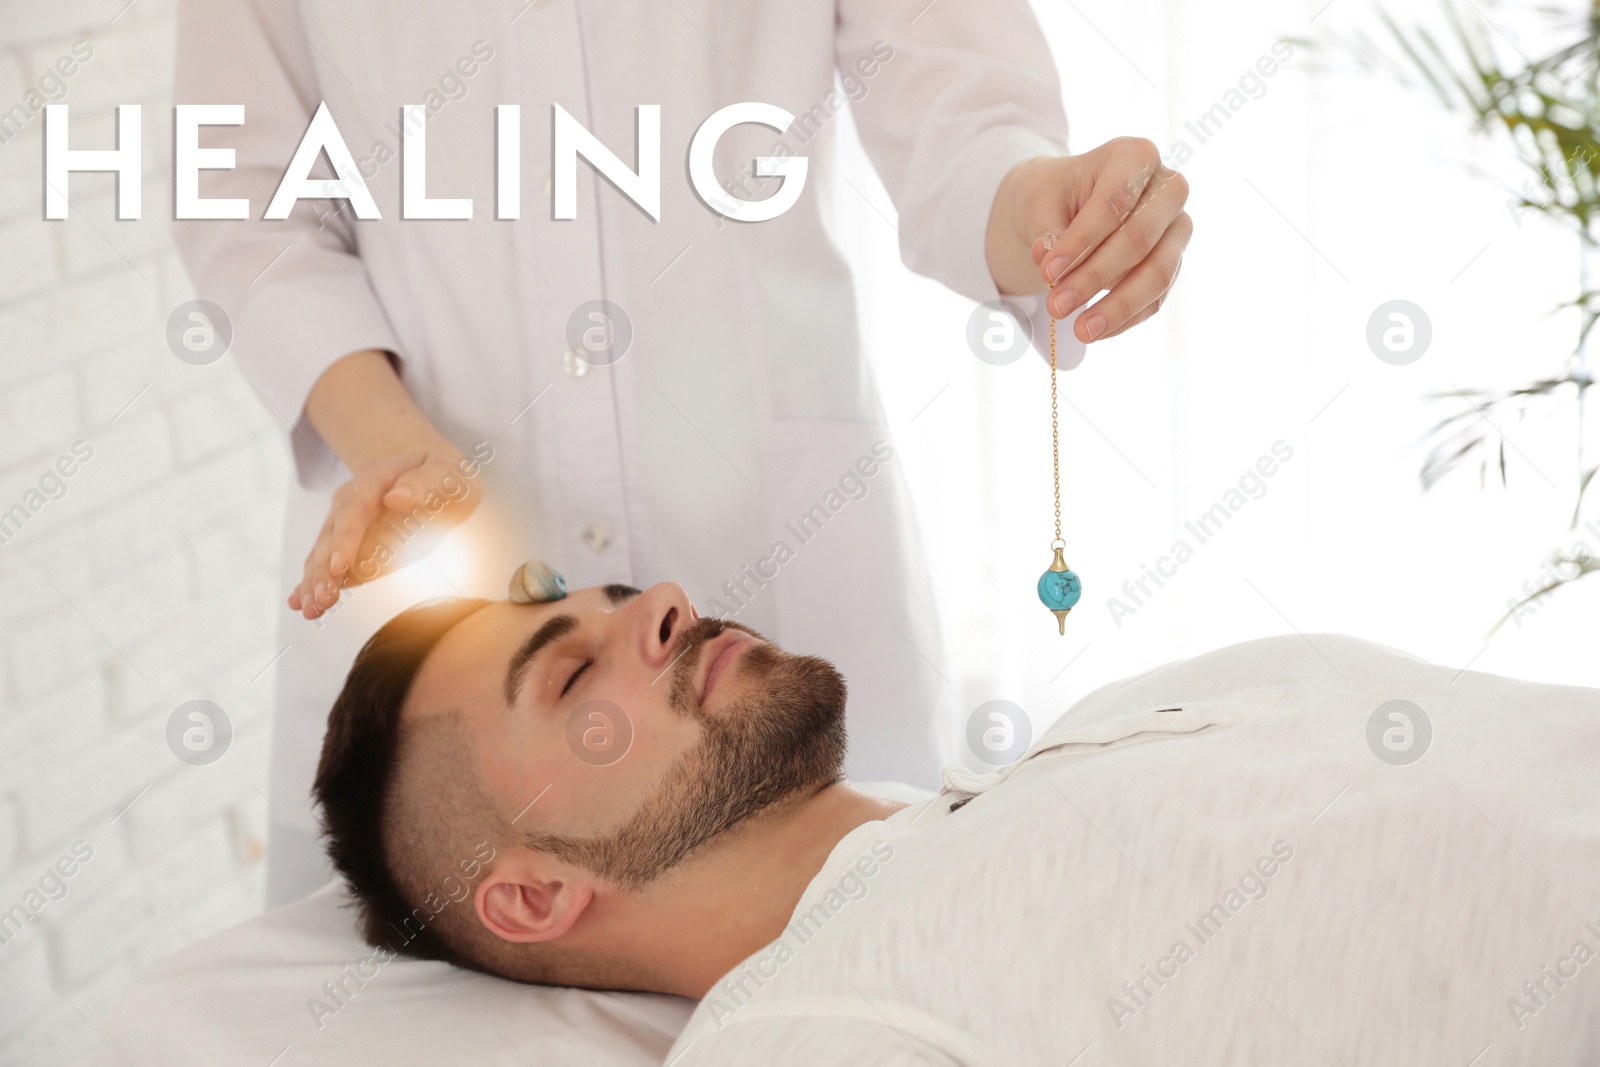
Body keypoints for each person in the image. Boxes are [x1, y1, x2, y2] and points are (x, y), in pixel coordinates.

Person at [173, 0, 1193, 905]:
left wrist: (1045, 213)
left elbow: (952, 105)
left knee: (859, 960)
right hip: (430, 587)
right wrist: (388, 443)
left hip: (773, 543)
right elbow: (243, 191)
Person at [314, 580, 1598, 1064]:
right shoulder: (813, 1031)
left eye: (612, 596)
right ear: (533, 894)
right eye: (572, 672)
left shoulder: (1090, 726)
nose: (662, 599)